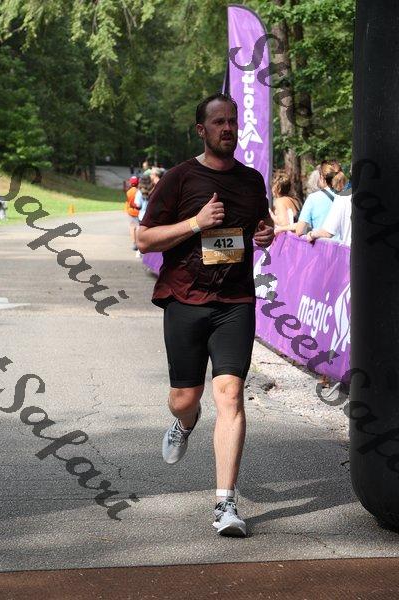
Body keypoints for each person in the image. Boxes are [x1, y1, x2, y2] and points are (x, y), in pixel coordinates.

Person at [137, 92, 274, 537]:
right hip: (185, 300)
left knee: (231, 395)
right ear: (202, 130)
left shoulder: (251, 180)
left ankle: (225, 504)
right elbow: (144, 239)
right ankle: (184, 421)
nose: (228, 128)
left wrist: (266, 234)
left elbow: (261, 226)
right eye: (219, 122)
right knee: (185, 397)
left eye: (232, 120)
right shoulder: (179, 178)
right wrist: (196, 223)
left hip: (235, 303)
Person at [296, 162, 339, 236]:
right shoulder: (345, 196)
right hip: (344, 242)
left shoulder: (313, 198)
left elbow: (299, 230)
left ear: (321, 178)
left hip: (321, 241)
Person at [124, 176, 140, 250]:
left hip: (131, 211)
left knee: (132, 227)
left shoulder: (129, 192)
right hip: (139, 211)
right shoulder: (139, 191)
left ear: (131, 183)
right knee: (138, 227)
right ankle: (139, 242)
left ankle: (134, 243)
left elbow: (128, 202)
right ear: (138, 183)